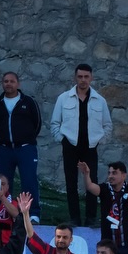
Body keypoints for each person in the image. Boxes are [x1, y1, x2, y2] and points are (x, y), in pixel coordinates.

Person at [50, 63, 111, 227]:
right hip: (70, 146)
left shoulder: (100, 101)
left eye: (86, 76)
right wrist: (62, 140)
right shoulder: (63, 98)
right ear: (75, 78)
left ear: (91, 78)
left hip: (90, 147)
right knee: (71, 182)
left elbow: (107, 125)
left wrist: (99, 141)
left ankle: (91, 217)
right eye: (80, 76)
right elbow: (55, 123)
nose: (83, 80)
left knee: (92, 181)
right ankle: (75, 218)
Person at [0, 72, 43, 218]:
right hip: (5, 149)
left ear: (18, 84)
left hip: (26, 149)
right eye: (6, 81)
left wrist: (27, 138)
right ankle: (4, 213)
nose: (9, 84)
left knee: (29, 181)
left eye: (12, 81)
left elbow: (37, 123)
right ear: (2, 84)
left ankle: (32, 213)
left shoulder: (29, 102)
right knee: (3, 183)